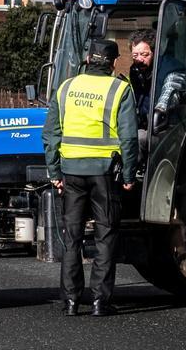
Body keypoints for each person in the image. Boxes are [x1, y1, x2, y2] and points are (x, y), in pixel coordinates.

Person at [43, 39, 140, 317]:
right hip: (105, 174)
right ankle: (100, 302)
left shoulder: (66, 88)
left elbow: (51, 135)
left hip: (71, 172)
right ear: (112, 63)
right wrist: (130, 174)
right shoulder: (119, 89)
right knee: (105, 236)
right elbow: (129, 137)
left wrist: (54, 173)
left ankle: (71, 302)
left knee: (72, 238)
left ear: (87, 59)